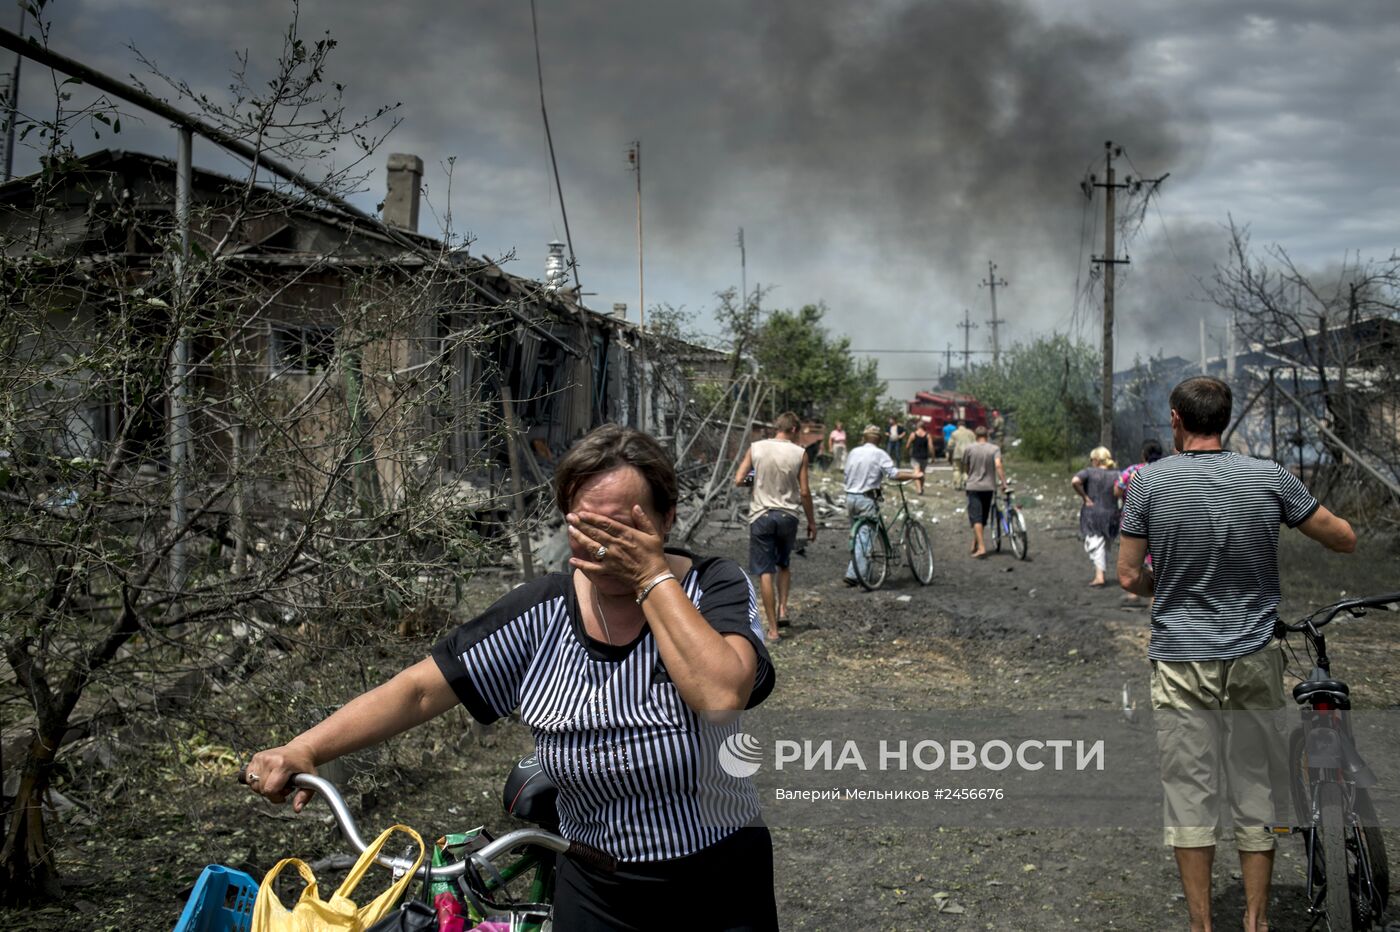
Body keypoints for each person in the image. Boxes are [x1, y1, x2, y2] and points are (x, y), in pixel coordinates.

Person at [245, 425, 779, 931]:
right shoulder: (541, 611)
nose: (602, 547)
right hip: (595, 879)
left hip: (717, 878)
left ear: (666, 520)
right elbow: (420, 689)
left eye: (622, 529)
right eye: (586, 528)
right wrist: (305, 748)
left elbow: (720, 694)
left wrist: (649, 575)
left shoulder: (713, 588)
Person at [1117, 376, 1356, 932]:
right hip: (1253, 654)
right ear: (1225, 420)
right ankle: (1256, 921)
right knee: (1255, 788)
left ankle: (1202, 926)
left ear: (1176, 419)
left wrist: (1168, 583)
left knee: (1189, 793)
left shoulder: (1148, 482)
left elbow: (1128, 575)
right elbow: (1343, 537)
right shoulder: (1269, 475)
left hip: (1181, 659)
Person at [734, 412, 816, 641]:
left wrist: (756, 478)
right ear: (794, 429)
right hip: (788, 516)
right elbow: (805, 492)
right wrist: (811, 521)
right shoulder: (800, 453)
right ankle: (782, 610)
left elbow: (739, 479)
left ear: (778, 427)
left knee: (765, 572)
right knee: (784, 564)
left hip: (761, 515)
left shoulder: (757, 448)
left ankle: (772, 630)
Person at [843, 424, 921, 585]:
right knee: (865, 537)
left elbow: (847, 473)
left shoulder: (853, 452)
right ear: (879, 439)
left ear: (864, 438)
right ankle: (855, 575)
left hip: (850, 497)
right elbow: (893, 474)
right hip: (866, 498)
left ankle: (863, 572)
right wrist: (914, 475)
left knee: (858, 537)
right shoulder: (880, 454)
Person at [1116, 439, 1164, 607]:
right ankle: (1155, 598)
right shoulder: (1166, 471)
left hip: (1133, 521)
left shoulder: (1132, 471)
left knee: (1133, 559)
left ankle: (1134, 594)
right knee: (1156, 558)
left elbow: (1117, 489)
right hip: (1159, 520)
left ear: (1143, 454)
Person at [1071, 446, 1121, 588]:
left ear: (1097, 460)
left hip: (1093, 512)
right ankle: (1101, 573)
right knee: (1105, 543)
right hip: (1111, 512)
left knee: (1095, 543)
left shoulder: (1088, 472)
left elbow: (1075, 481)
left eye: (1091, 459)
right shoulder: (1117, 474)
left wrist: (1084, 497)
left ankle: (1100, 576)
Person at [960, 425, 1005, 558]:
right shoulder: (994, 448)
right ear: (987, 436)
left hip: (973, 486)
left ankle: (981, 547)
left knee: (976, 517)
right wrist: (1003, 482)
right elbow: (998, 465)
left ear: (975, 436)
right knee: (983, 517)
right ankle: (975, 543)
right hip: (989, 487)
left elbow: (966, 467)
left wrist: (971, 474)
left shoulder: (969, 448)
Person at [905, 419, 933, 495]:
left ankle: (919, 490)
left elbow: (907, 445)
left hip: (915, 456)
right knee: (922, 473)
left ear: (917, 426)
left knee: (916, 473)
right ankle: (921, 487)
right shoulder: (928, 435)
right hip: (924, 457)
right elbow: (931, 447)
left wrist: (907, 453)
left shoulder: (913, 434)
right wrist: (933, 457)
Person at [947, 419, 976, 490]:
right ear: (965, 425)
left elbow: (950, 445)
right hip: (968, 454)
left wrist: (949, 455)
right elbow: (975, 444)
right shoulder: (971, 433)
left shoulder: (954, 433)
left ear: (958, 425)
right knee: (966, 470)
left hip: (957, 454)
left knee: (957, 470)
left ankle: (957, 485)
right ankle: (966, 482)